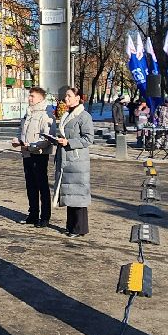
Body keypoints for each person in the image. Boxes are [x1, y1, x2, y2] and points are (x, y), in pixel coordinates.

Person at [51, 86, 94, 237]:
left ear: (77, 98)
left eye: (69, 96)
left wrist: (68, 142)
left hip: (77, 160)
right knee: (69, 194)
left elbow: (88, 139)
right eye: (65, 96)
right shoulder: (66, 115)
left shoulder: (84, 116)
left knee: (78, 196)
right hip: (66, 159)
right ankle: (71, 226)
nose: (66, 98)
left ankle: (79, 228)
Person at [11, 86, 52, 228]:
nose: (29, 98)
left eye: (32, 96)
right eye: (29, 95)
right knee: (30, 186)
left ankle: (45, 217)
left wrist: (32, 146)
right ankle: (33, 214)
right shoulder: (27, 113)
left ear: (40, 98)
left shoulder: (45, 114)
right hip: (26, 153)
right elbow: (20, 130)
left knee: (42, 186)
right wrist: (17, 141)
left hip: (39, 155)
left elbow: (47, 138)